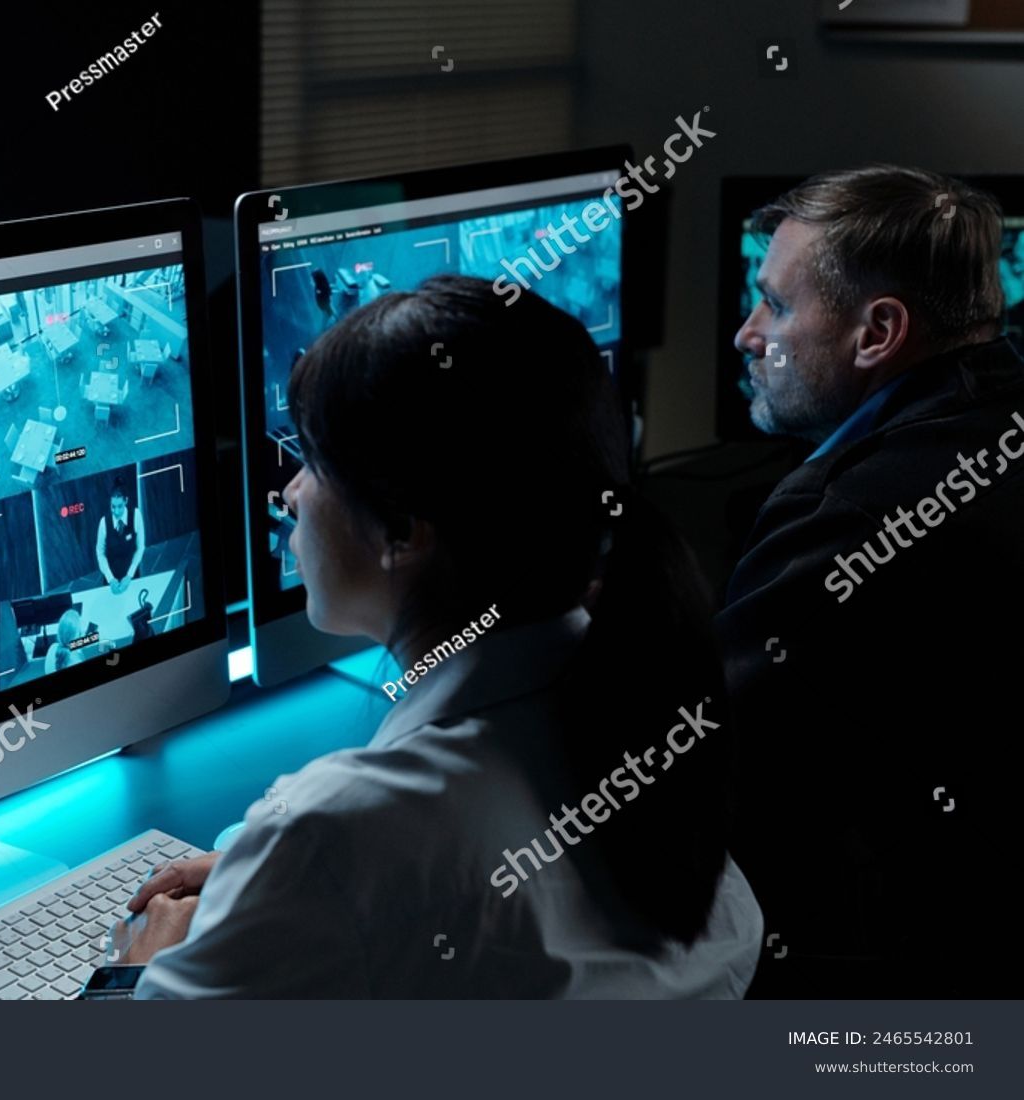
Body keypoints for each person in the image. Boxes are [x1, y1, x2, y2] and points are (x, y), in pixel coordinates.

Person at [114, 275, 763, 998]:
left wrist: (141, 965)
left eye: (315, 463)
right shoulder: (642, 691)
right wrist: (261, 869)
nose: (292, 491)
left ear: (400, 530)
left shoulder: (338, 831)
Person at [718, 165, 1024, 997]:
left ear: (877, 333)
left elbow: (704, 758)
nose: (748, 334)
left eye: (776, 305)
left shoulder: (849, 515)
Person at [95, 479, 144, 595]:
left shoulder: (136, 515)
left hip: (131, 575)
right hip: (111, 577)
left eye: (120, 506)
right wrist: (110, 578)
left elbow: (140, 547)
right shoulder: (103, 522)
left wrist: (129, 575)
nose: (116, 511)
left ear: (126, 501)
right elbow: (100, 552)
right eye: (113, 506)